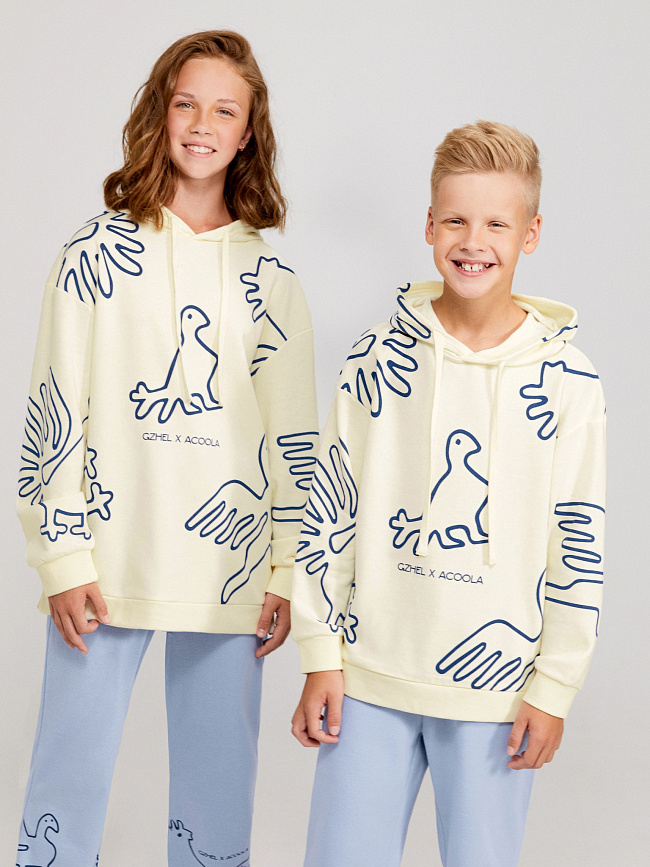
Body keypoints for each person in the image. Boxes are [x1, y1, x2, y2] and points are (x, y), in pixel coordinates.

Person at [16, 30, 318, 866]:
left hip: (230, 571)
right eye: (186, 103)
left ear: (248, 131)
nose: (202, 124)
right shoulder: (92, 256)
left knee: (217, 799)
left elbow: (295, 443)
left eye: (224, 110)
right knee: (67, 780)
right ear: (161, 112)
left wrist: (287, 569)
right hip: (104, 565)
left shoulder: (272, 283)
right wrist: (61, 556)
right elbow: (55, 408)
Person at [291, 120, 606, 866]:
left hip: (497, 693)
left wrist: (555, 686)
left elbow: (578, 539)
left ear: (530, 235)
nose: (474, 241)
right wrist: (320, 652)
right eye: (457, 220)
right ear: (430, 226)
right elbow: (331, 509)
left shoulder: (570, 381)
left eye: (497, 223)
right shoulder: (375, 358)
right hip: (370, 676)